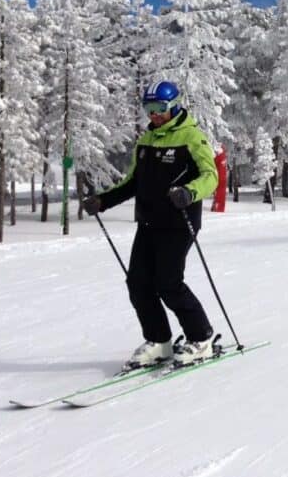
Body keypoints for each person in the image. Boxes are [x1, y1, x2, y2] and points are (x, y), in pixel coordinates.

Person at [83, 81, 219, 369]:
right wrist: (103, 200)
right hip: (148, 222)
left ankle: (201, 338)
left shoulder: (191, 137)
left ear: (173, 106)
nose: (154, 115)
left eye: (159, 109)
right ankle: (159, 341)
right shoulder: (146, 141)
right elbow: (133, 182)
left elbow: (211, 176)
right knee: (138, 284)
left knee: (168, 283)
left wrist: (189, 192)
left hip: (179, 223)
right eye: (149, 109)